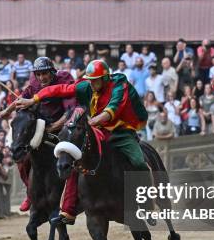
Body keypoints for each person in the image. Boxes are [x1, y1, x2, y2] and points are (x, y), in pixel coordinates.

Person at [15, 59, 148, 225]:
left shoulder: (120, 85)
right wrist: (33, 99)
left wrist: (90, 122)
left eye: (95, 80)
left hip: (122, 130)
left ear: (105, 78)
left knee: (138, 161)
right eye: (90, 80)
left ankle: (146, 202)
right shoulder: (87, 85)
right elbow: (60, 89)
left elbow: (111, 111)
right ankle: (69, 210)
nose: (92, 84)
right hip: (100, 128)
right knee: (75, 154)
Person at [0, 57, 76, 211]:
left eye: (44, 74)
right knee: (20, 155)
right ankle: (30, 192)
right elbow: (21, 100)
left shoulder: (65, 79)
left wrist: (55, 126)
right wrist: (7, 111)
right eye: (38, 74)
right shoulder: (34, 83)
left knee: (72, 154)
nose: (41, 78)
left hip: (63, 125)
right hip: (41, 126)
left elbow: (70, 111)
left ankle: (76, 195)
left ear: (52, 72)